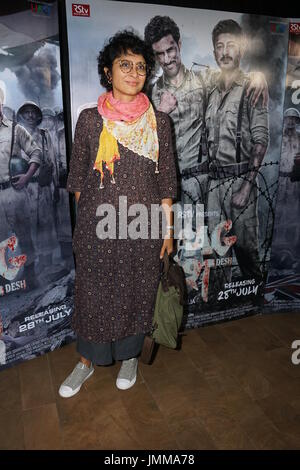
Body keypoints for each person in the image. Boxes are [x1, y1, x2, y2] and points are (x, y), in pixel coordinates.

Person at [59, 30, 177, 398]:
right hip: (99, 229)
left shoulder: (160, 123)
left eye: (141, 66)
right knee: (93, 296)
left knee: (137, 295)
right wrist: (92, 222)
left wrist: (167, 232)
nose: (133, 72)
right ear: (108, 72)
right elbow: (78, 179)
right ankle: (85, 363)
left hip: (144, 230)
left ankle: (129, 356)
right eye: (124, 64)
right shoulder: (91, 120)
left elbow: (167, 184)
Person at [205, 19, 269, 292]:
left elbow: (260, 140)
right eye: (219, 46)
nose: (225, 51)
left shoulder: (252, 87)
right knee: (217, 255)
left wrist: (247, 186)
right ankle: (221, 304)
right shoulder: (210, 90)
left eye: (231, 45)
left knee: (246, 250)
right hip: (214, 184)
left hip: (241, 181)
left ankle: (255, 301)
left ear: (240, 50)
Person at [0, 87, 41, 290]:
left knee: (24, 235)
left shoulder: (16, 129)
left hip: (15, 191)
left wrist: (27, 176)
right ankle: (4, 281)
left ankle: (31, 275)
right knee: (1, 239)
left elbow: (36, 151)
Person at [17, 101, 59, 276]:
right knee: (26, 228)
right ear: (21, 115)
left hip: (43, 187)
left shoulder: (44, 135)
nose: (30, 116)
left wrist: (55, 186)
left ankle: (46, 264)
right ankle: (30, 269)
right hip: (23, 189)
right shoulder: (15, 134)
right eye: (26, 112)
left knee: (46, 225)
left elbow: (53, 161)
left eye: (33, 112)